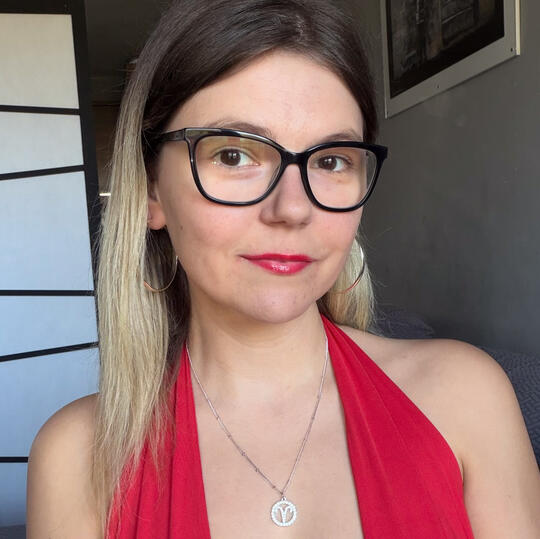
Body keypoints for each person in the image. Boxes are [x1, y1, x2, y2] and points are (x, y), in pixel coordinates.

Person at [26, 0, 540, 537]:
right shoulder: (79, 458)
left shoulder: (465, 397)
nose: (293, 208)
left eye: (331, 160)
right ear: (152, 190)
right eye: (233, 155)